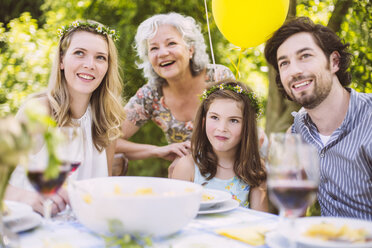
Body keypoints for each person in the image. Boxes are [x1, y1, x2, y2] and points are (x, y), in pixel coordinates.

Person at [5, 20, 125, 216]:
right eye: (79, 53)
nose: (90, 65)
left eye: (100, 57)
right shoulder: (39, 111)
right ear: (61, 60)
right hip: (29, 225)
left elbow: (105, 188)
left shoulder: (108, 120)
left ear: (107, 67)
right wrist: (27, 197)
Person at [264, 17, 372, 220]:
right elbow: (293, 211)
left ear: (334, 62)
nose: (294, 71)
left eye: (305, 56)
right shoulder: (296, 133)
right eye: (284, 63)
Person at [115, 12, 236, 176]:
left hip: (228, 166)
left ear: (190, 49)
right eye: (154, 48)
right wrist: (158, 150)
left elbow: (241, 129)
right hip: (185, 176)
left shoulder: (218, 78)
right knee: (117, 159)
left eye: (171, 43)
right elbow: (111, 140)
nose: (162, 53)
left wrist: (192, 158)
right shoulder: (150, 95)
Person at [172, 80, 268, 211]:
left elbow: (260, 222)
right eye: (215, 118)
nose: (222, 128)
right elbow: (176, 216)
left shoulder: (254, 169)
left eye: (234, 120)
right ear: (204, 120)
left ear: (247, 127)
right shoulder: (187, 167)